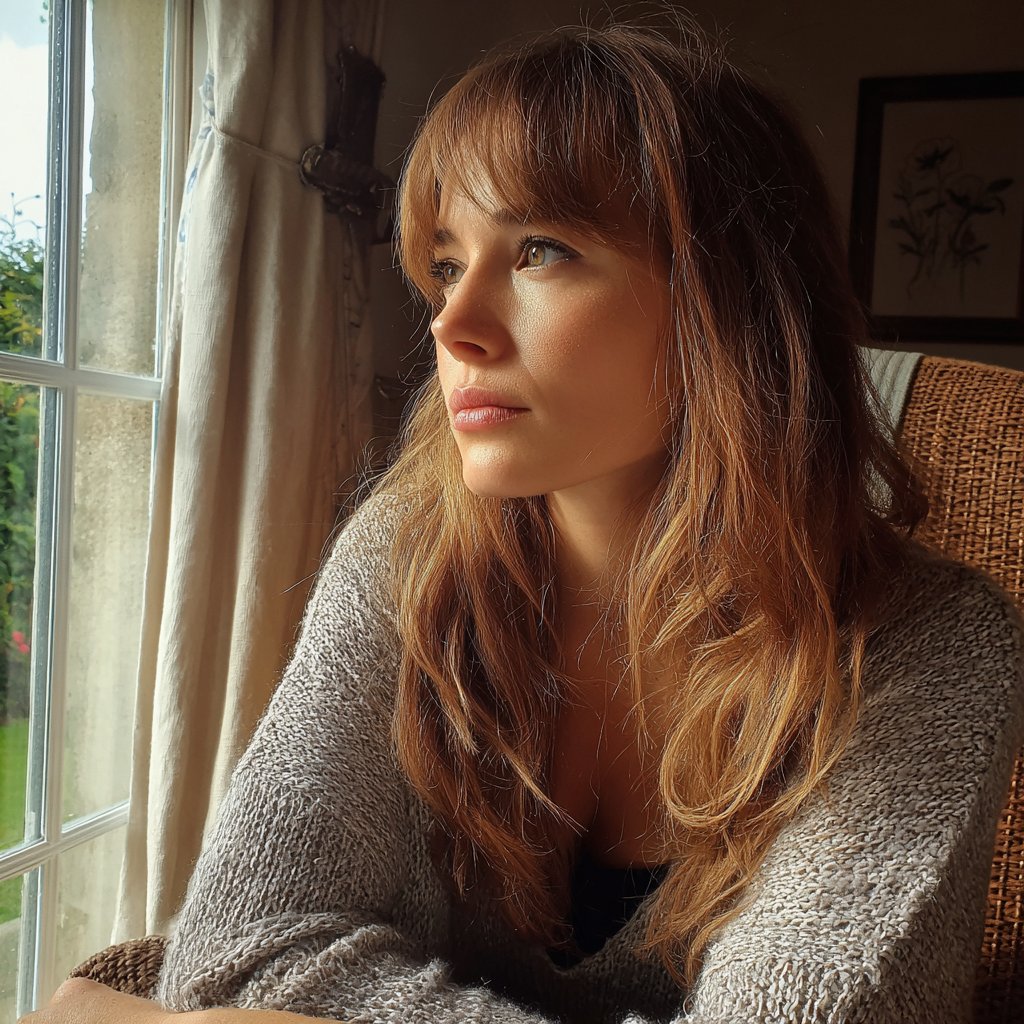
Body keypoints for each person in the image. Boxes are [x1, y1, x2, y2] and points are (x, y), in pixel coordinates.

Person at [24, 12, 1024, 1024]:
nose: (452, 325)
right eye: (450, 263)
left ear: (727, 302)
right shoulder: (405, 553)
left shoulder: (934, 650)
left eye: (540, 250)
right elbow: (232, 955)